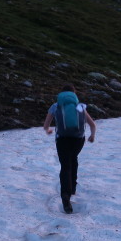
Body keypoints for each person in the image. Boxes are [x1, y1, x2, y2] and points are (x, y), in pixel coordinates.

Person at [43, 84, 96, 213]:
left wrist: (48, 130)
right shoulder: (80, 106)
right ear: (74, 93)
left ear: (62, 94)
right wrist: (92, 135)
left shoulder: (56, 106)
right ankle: (72, 188)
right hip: (78, 139)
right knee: (74, 159)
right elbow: (92, 124)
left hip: (62, 139)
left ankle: (66, 197)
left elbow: (46, 125)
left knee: (65, 165)